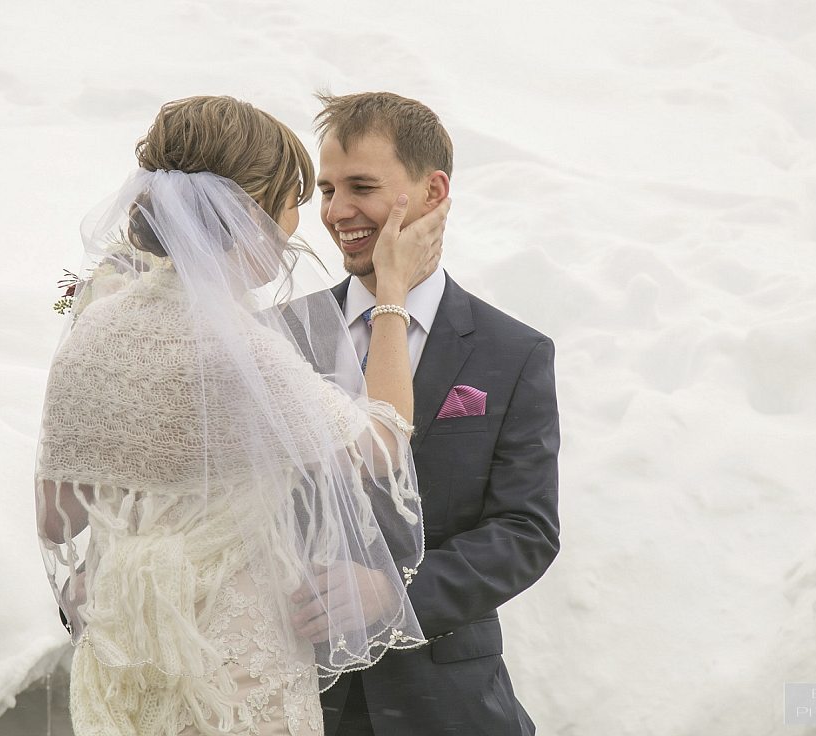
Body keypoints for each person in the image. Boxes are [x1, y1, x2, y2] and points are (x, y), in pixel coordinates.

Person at [33, 96, 451, 736]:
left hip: (126, 654)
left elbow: (57, 519)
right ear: (248, 216)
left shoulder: (96, 328)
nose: (294, 233)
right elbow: (383, 444)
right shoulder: (242, 349)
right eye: (290, 207)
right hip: (234, 667)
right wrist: (392, 296)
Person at [308, 92, 561, 736]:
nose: (337, 212)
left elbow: (525, 528)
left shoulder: (514, 352)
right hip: (294, 695)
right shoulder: (280, 334)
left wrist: (392, 596)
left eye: (361, 187)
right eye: (326, 189)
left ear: (432, 191)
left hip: (446, 704)